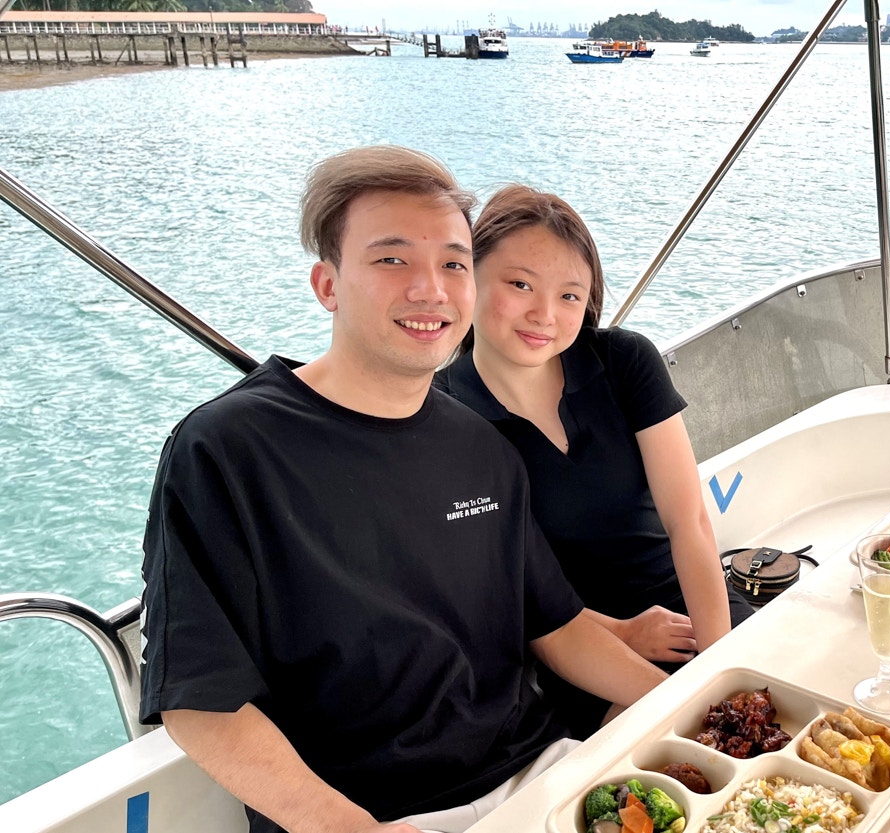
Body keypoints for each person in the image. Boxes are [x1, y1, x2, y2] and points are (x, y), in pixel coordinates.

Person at [138, 146, 667, 833]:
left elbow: (557, 626)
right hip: (370, 812)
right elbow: (201, 700)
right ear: (327, 285)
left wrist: (692, 704)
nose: (431, 289)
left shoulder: (481, 446)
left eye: (452, 263)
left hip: (539, 766)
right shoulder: (226, 450)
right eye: (392, 260)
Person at [436, 184, 754, 739]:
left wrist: (719, 662)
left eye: (569, 296)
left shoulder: (623, 361)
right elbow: (502, 597)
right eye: (519, 284)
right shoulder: (447, 418)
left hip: (695, 605)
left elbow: (690, 523)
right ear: (468, 276)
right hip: (579, 644)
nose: (545, 315)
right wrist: (626, 634)